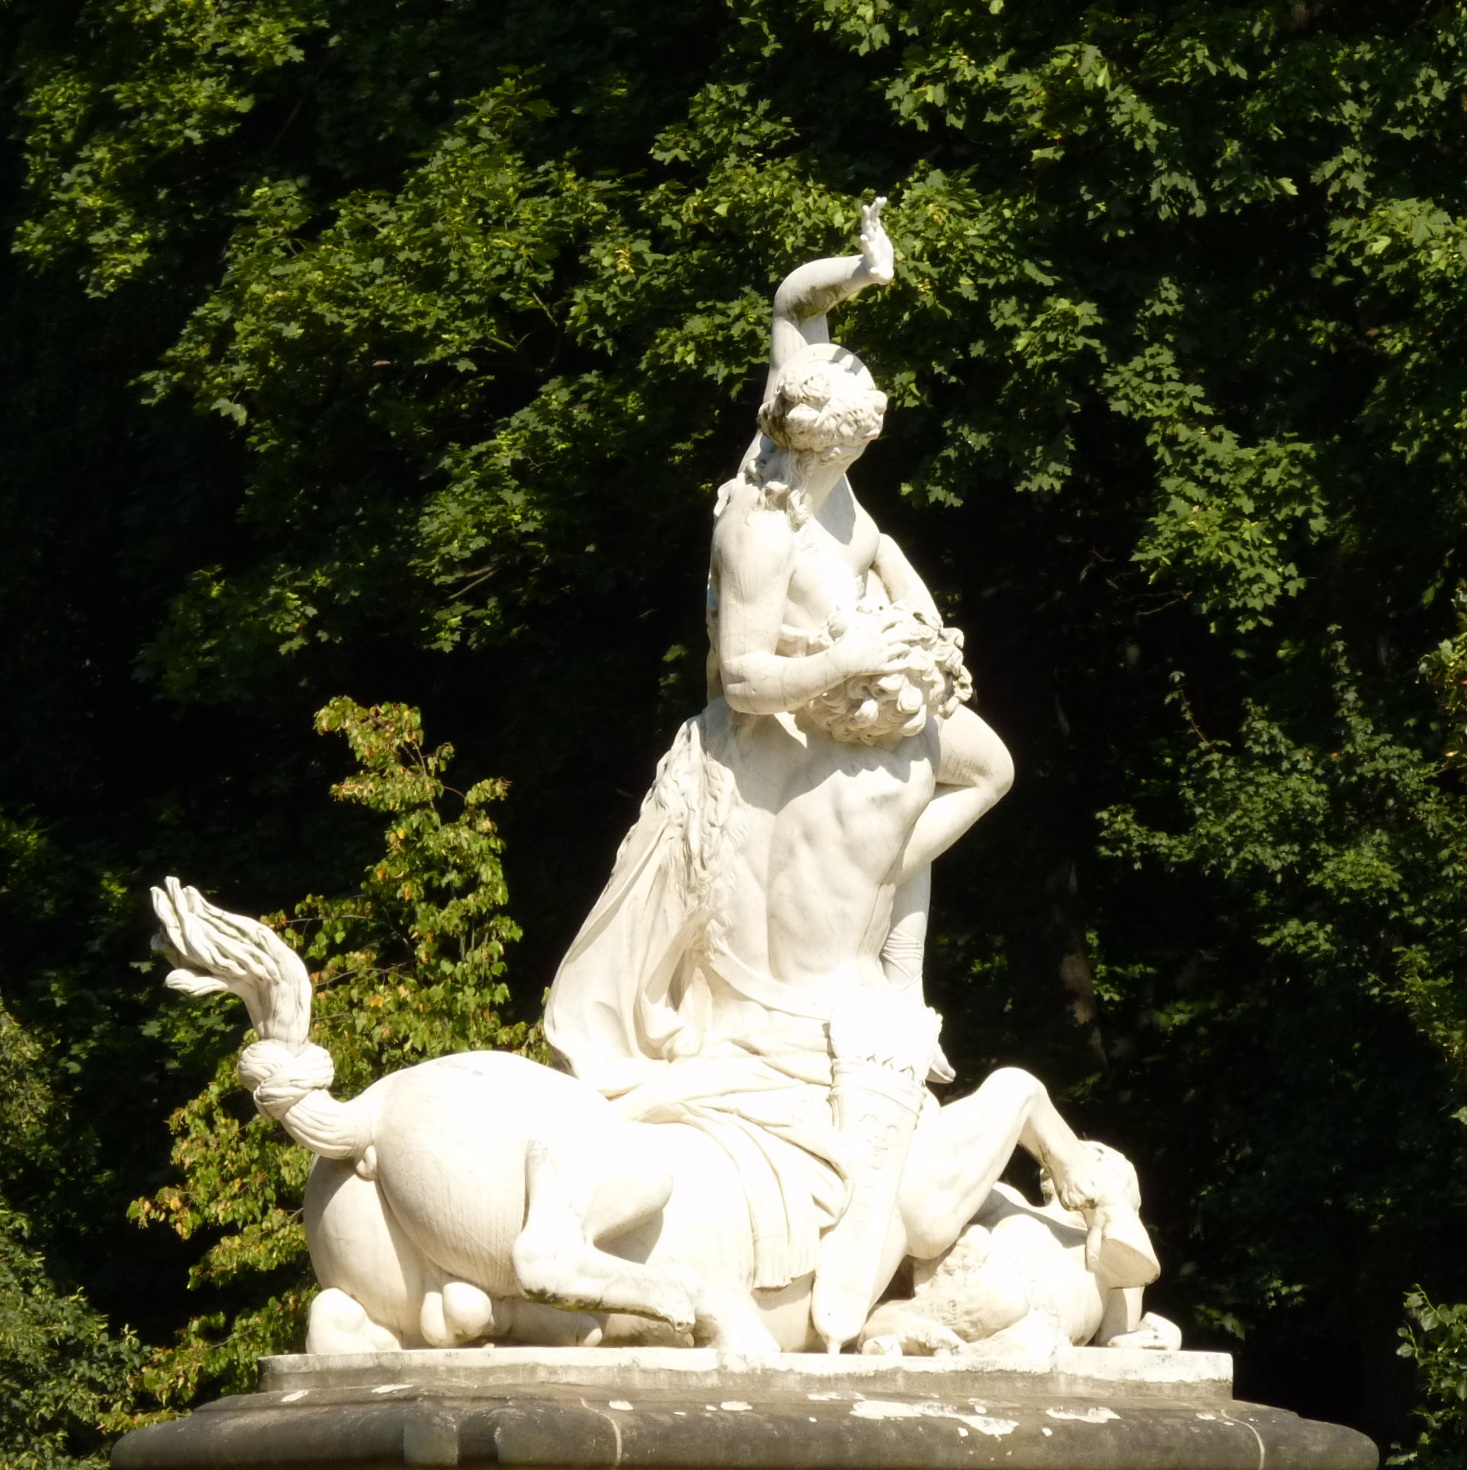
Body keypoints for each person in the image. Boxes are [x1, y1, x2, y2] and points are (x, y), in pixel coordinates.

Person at [544, 202, 1153, 1350]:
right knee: (922, 811)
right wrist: (861, 655)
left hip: (866, 707)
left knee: (987, 767)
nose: (856, 456)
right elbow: (740, 680)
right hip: (786, 731)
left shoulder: (831, 488)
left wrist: (861, 273)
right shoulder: (761, 528)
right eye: (847, 443)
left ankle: (883, 895)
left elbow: (793, 310)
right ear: (807, 437)